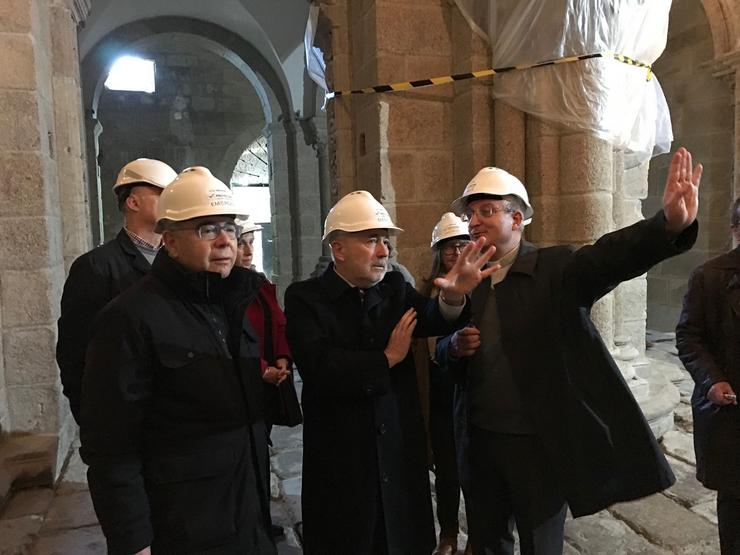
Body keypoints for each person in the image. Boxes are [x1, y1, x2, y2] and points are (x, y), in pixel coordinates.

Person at [438, 147, 702, 555]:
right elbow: (440, 347)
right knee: (488, 542)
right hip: (480, 440)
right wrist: (453, 338)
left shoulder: (556, 269)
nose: (474, 222)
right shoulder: (464, 275)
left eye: (487, 211)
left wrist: (665, 226)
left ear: (516, 218)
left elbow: (609, 258)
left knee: (539, 544)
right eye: (471, 214)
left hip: (537, 444)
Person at [284, 190, 497, 555]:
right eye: (371, 241)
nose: (384, 251)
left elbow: (430, 319)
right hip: (344, 454)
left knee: (402, 535)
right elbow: (321, 369)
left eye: (385, 241)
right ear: (338, 249)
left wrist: (452, 298)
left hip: (397, 446)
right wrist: (387, 359)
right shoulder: (306, 299)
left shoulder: (395, 289)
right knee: (350, 537)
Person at [80, 167, 275, 554]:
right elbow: (111, 446)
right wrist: (133, 541)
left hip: (246, 514)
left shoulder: (234, 303)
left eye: (230, 229)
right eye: (207, 229)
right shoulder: (130, 318)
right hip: (182, 524)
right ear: (169, 241)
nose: (225, 241)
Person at [56, 158, 177, 423]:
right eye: (162, 194)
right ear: (132, 202)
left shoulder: (179, 262)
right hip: (121, 414)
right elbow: (74, 351)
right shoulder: (95, 267)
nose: (172, 201)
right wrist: (91, 419)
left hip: (173, 414)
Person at [676, 197, 740, 554]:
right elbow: (689, 336)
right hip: (732, 413)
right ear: (735, 231)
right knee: (734, 502)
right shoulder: (710, 277)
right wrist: (713, 380)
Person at [416, 213, 472, 555]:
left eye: (462, 244)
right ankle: (448, 534)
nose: (455, 252)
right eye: (449, 246)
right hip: (438, 393)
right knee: (448, 471)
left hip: (469, 390)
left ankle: (478, 535)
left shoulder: (481, 287)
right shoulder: (425, 289)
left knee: (476, 473)